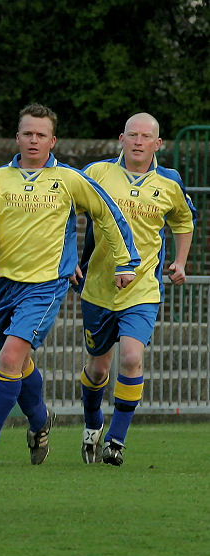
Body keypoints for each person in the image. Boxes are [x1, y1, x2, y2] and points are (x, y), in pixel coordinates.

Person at [0, 103, 141, 466]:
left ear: (53, 140)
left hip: (46, 286)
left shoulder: (69, 179)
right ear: (17, 137)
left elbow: (108, 214)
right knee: (19, 362)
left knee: (10, 355)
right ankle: (40, 421)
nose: (33, 140)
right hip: (3, 283)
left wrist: (127, 261)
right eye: (27, 133)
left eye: (41, 135)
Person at [77, 113, 195, 465]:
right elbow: (68, 212)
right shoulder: (97, 173)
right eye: (133, 135)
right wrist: (70, 259)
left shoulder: (170, 182)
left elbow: (183, 221)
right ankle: (93, 424)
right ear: (122, 139)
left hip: (143, 288)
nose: (139, 141)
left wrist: (181, 261)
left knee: (131, 357)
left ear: (158, 144)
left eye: (146, 136)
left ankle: (116, 441)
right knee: (98, 369)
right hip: (98, 287)